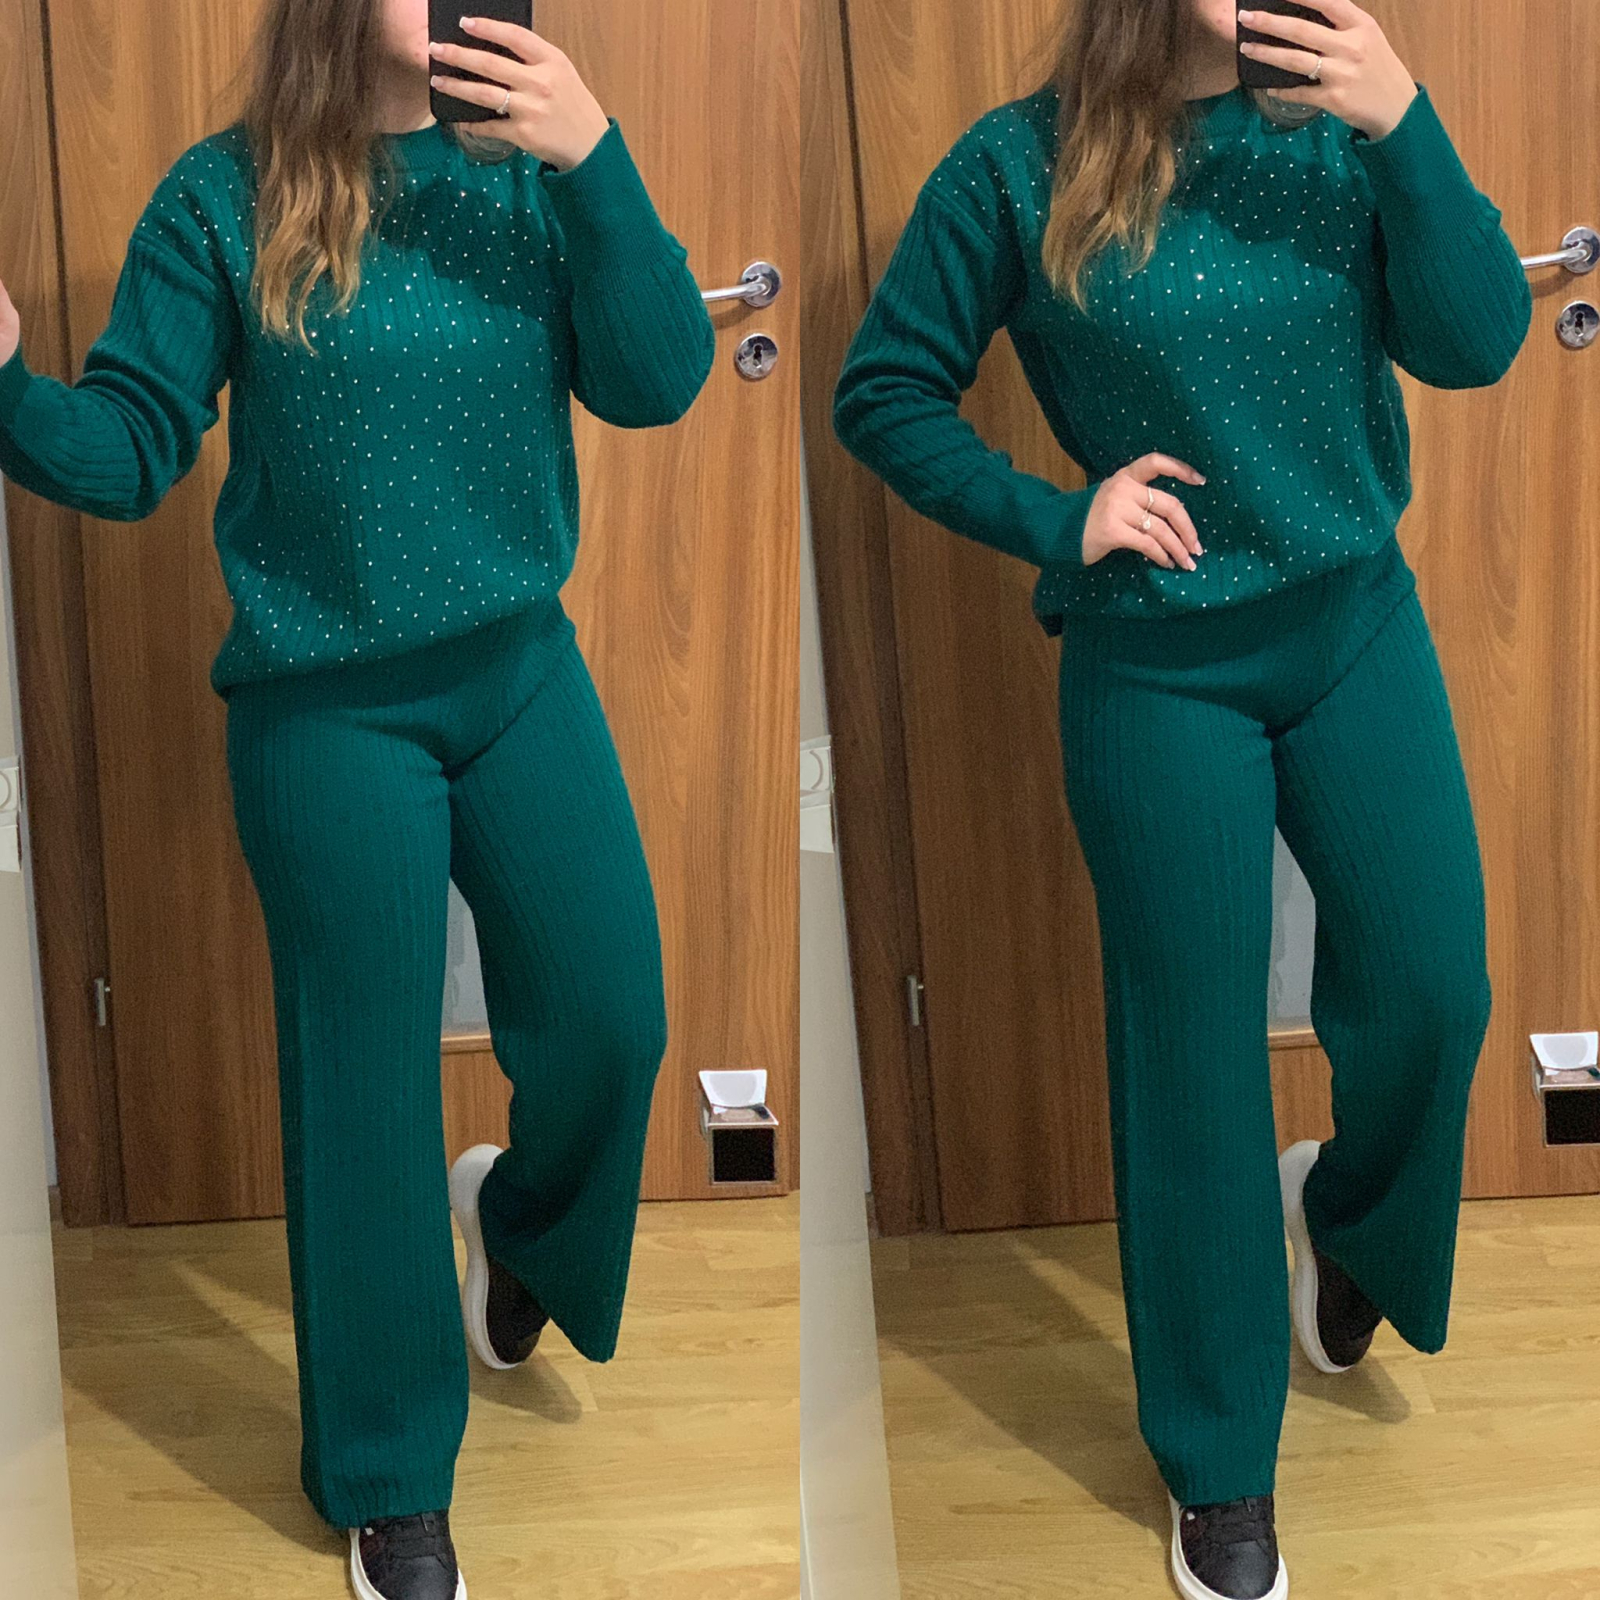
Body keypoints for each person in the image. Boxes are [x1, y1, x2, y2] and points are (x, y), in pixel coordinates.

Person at [0, 2, 715, 1596]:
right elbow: (126, 449)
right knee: (366, 1092)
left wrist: (597, 161)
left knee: (613, 1022)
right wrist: (1, 383)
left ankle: (520, 1233)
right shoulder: (223, 194)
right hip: (324, 707)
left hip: (521, 674)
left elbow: (661, 378)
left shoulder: (537, 166)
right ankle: (388, 1477)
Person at [831, 2, 1530, 1597]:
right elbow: (884, 391)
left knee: (1436, 989)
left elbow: (1479, 340)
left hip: (1356, 627)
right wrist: (1055, 516)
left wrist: (1406, 121)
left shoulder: (1346, 131)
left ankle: (1348, 1227)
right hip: (1155, 669)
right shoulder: (1015, 167)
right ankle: (1219, 1464)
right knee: (1193, 1059)